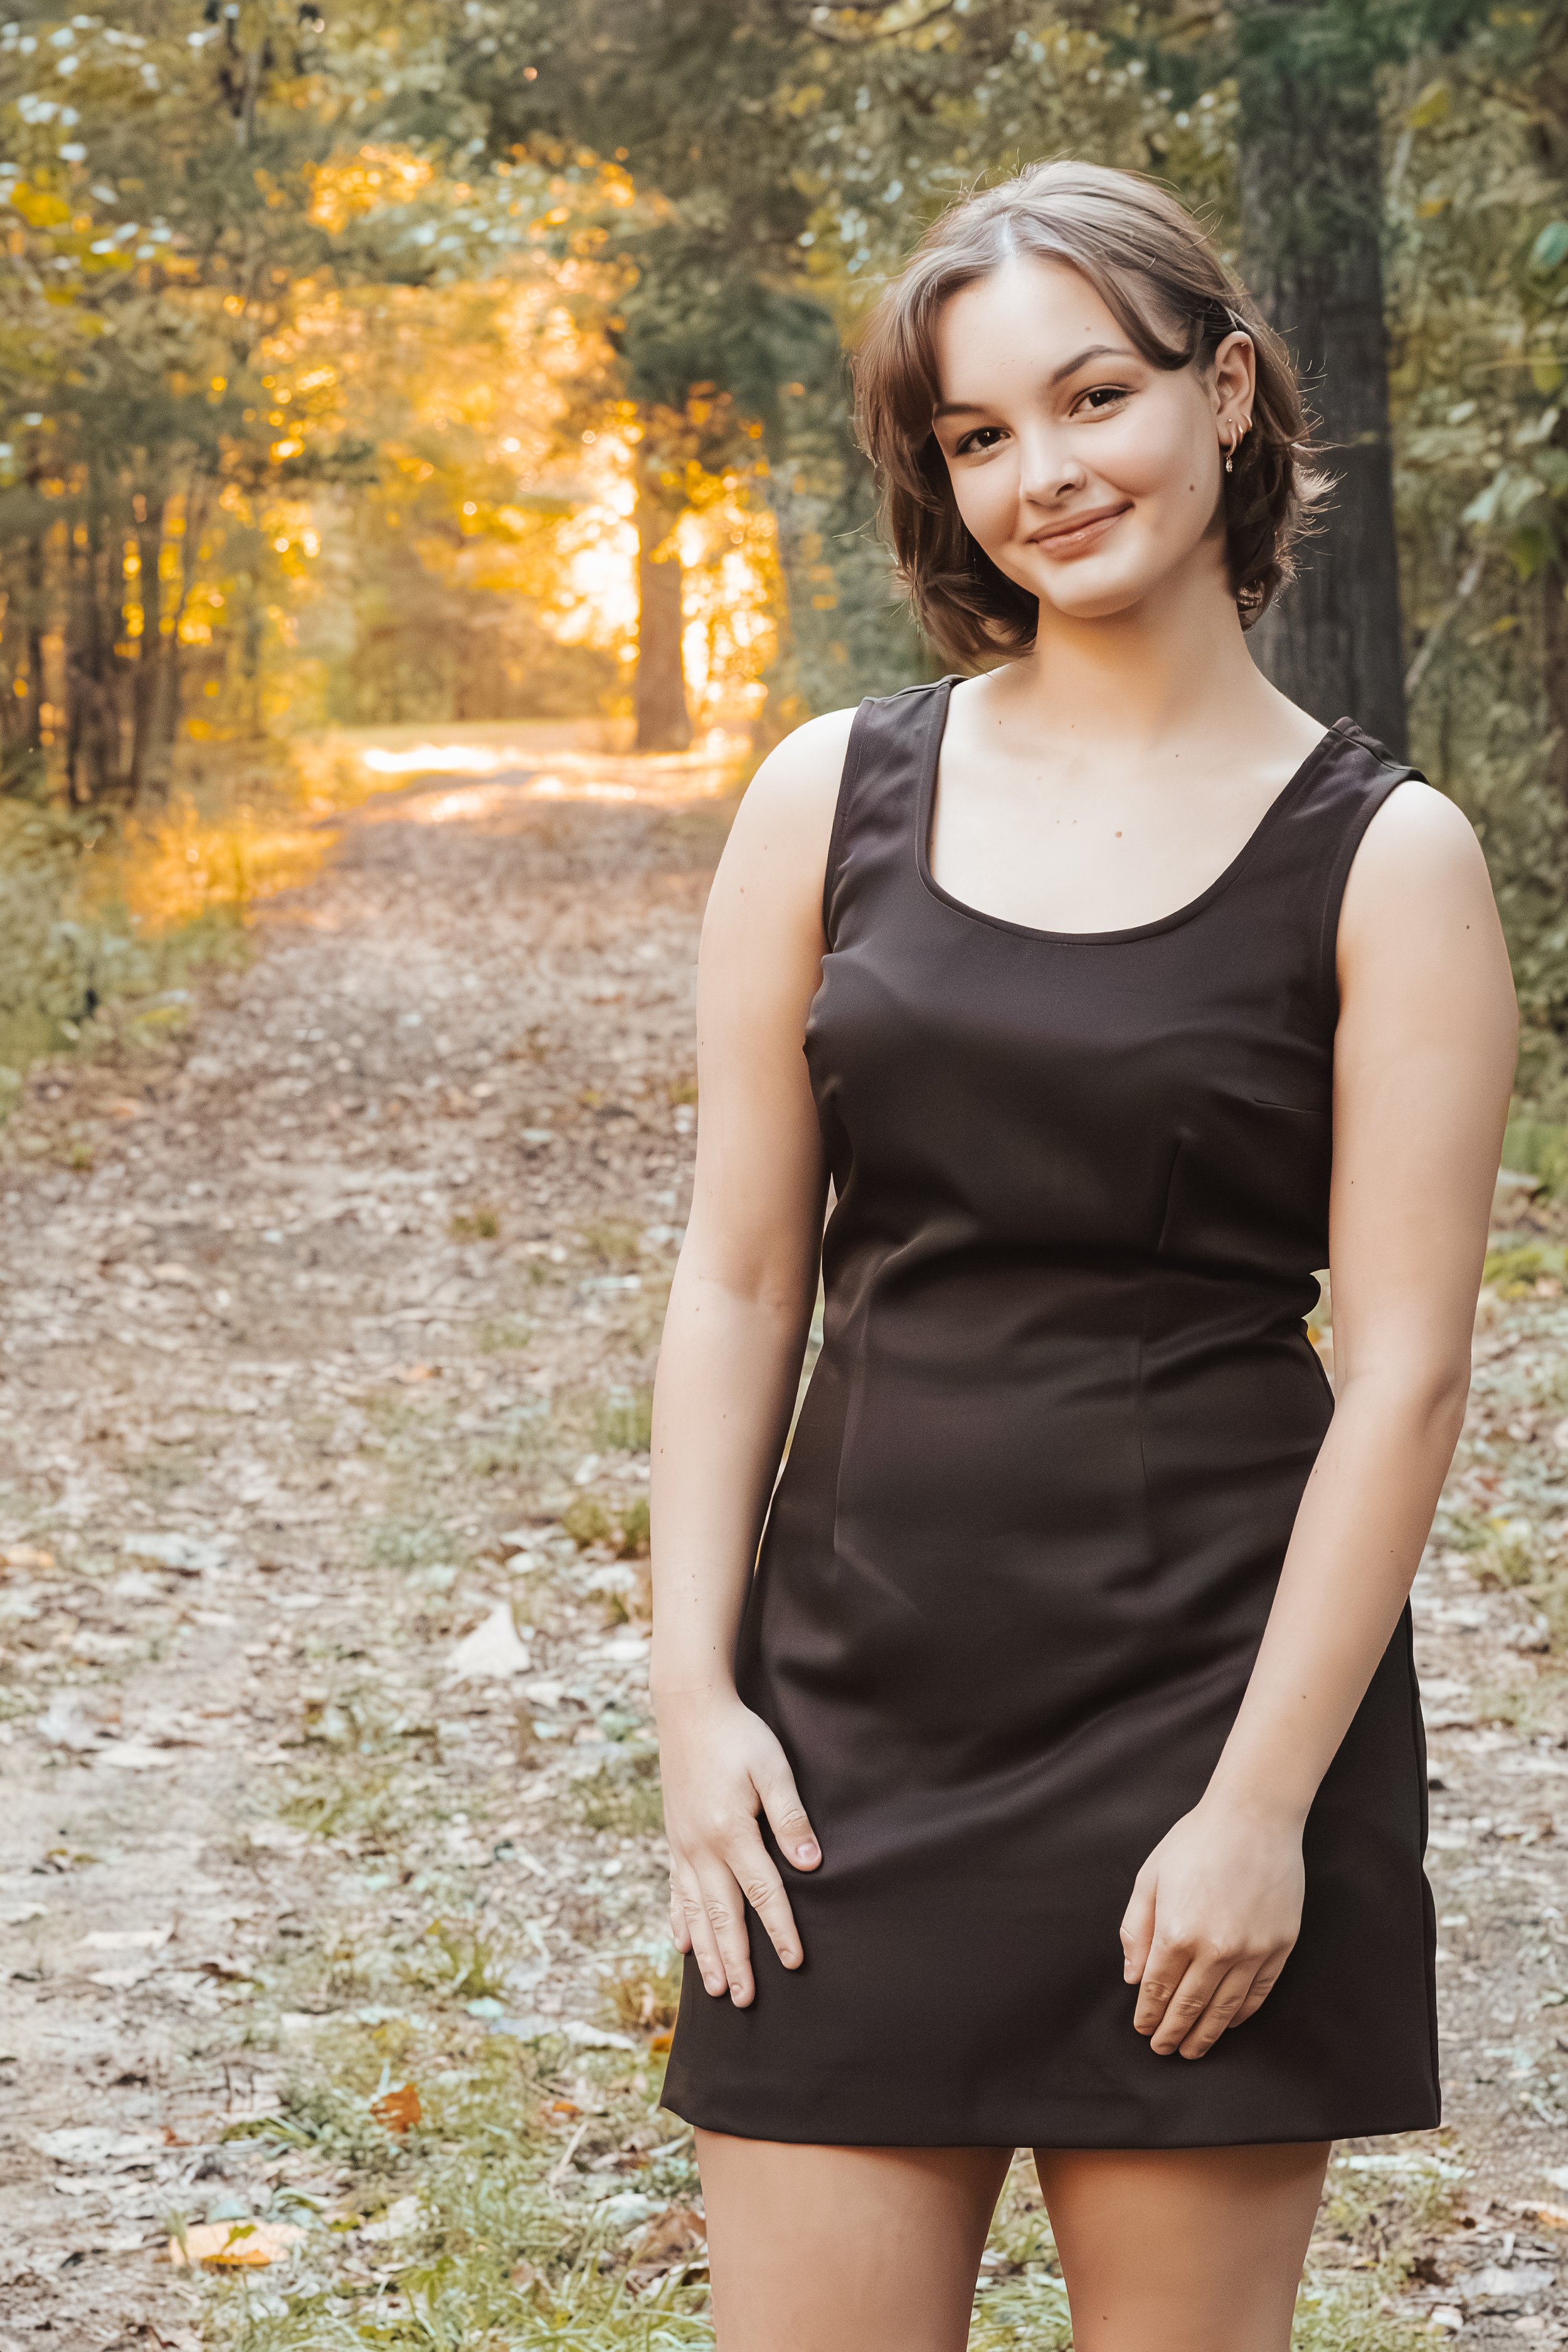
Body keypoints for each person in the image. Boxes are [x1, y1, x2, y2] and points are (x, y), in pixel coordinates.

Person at [646, 158, 1517, 2352]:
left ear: (1225, 395)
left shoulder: (1387, 857)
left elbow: (1404, 1367)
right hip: (850, 1735)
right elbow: (741, 1281)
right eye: (975, 434)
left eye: (1095, 394)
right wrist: (693, 1705)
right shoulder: (823, 800)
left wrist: (1258, 1810)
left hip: (1205, 1729)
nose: (1042, 472)